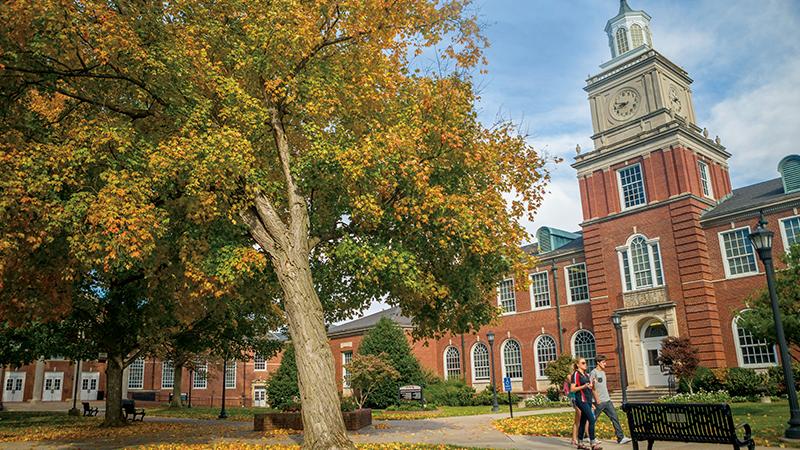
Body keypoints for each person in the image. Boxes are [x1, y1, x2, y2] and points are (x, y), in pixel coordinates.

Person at [590, 355, 631, 445]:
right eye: (603, 362)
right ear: (598, 362)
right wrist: (596, 399)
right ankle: (589, 437)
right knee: (592, 420)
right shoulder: (594, 373)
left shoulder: (603, 373)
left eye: (605, 362)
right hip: (598, 402)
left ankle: (620, 438)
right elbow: (591, 387)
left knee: (615, 417)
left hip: (607, 401)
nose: (606, 364)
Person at [570, 357, 602, 450]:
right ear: (578, 365)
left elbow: (588, 388)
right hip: (581, 400)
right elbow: (572, 389)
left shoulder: (585, 375)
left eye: (585, 363)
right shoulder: (576, 374)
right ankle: (593, 444)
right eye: (583, 363)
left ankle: (580, 443)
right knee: (592, 420)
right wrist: (584, 386)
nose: (585, 364)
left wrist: (592, 384)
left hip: (587, 400)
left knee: (583, 422)